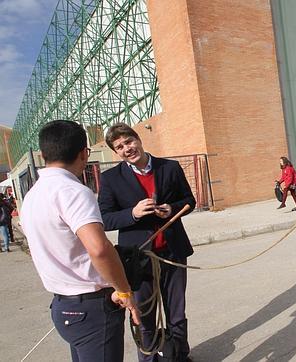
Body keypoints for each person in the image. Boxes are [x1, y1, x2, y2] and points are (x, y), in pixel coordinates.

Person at [20, 120, 140, 361]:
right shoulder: (72, 191)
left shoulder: (32, 196)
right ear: (84, 154)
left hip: (64, 306)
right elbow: (99, 249)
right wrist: (124, 290)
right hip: (91, 308)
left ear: (43, 154)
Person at [98, 123, 196, 362]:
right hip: (138, 258)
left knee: (176, 312)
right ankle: (150, 359)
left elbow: (189, 201)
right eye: (119, 146)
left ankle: (180, 356)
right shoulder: (110, 178)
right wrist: (133, 213)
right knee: (144, 314)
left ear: (138, 139)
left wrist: (171, 209)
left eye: (129, 141)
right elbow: (105, 218)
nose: (127, 148)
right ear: (116, 152)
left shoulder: (169, 168)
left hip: (172, 253)